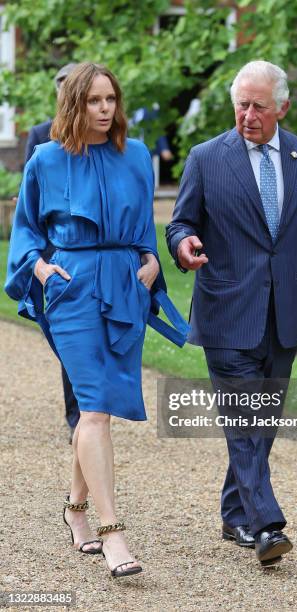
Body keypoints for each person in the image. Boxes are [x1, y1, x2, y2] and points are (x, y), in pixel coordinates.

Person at [5, 62, 188, 578]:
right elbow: (26, 231)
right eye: (94, 101)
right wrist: (40, 268)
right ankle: (113, 531)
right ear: (74, 104)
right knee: (95, 407)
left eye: (111, 99)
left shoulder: (136, 155)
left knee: (97, 409)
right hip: (73, 286)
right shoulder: (44, 159)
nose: (105, 109)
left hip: (126, 286)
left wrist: (151, 264)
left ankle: (75, 510)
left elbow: (145, 227)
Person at [166, 60, 297, 567]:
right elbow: (179, 223)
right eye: (241, 105)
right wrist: (184, 246)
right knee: (246, 416)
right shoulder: (207, 158)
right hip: (227, 309)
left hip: (285, 313)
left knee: (259, 420)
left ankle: (234, 511)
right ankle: (268, 524)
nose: (247, 115)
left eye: (258, 106)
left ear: (283, 107)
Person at [24, 63, 80, 441]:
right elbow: (31, 195)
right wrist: (39, 261)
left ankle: (83, 414)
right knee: (63, 337)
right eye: (61, 85)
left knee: (80, 337)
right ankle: (79, 411)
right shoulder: (41, 137)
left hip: (88, 251)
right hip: (51, 250)